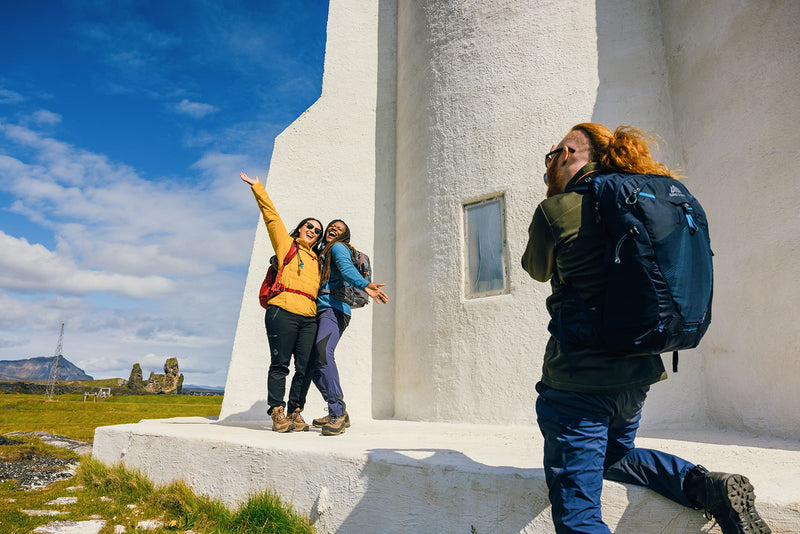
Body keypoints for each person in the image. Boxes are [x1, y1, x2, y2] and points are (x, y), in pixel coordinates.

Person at [521, 123, 771, 534]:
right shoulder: (646, 198)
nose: (548, 168)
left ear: (567, 154)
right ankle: (705, 487)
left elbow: (535, 268)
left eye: (550, 158)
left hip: (578, 384)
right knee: (616, 456)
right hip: (636, 376)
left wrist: (552, 202)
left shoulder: (558, 211)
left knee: (578, 515)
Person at [240, 171, 323, 433]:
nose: (312, 231)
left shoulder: (317, 260)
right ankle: (277, 412)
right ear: (300, 228)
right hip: (282, 311)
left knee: (305, 367)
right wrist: (258, 188)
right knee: (280, 365)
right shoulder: (286, 245)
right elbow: (271, 217)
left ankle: (295, 411)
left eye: (317, 230)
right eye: (309, 226)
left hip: (309, 316)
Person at [300, 219, 389, 436]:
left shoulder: (338, 248)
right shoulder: (320, 251)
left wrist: (365, 285)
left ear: (344, 236)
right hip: (319, 311)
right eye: (331, 227)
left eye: (339, 229)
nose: (333, 230)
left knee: (323, 354)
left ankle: (337, 414)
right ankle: (339, 409)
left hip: (334, 310)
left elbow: (347, 269)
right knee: (311, 363)